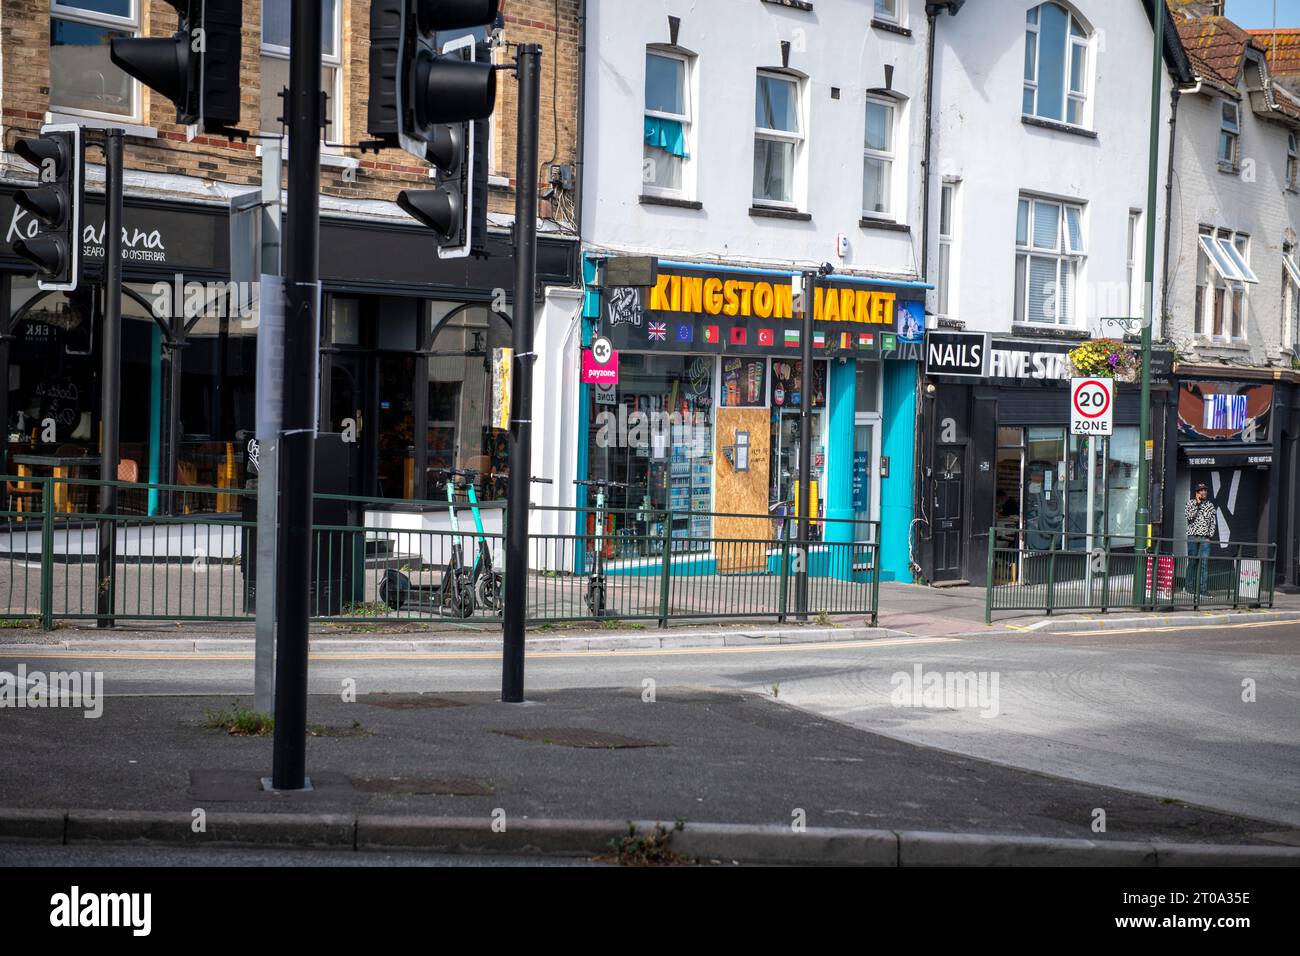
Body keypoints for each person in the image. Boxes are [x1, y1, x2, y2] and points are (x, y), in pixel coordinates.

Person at [1185, 483, 1218, 594]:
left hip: (1205, 538)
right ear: (1197, 493)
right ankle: (1189, 588)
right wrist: (1197, 505)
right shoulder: (1190, 503)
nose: (1204, 492)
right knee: (1192, 562)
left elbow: (1213, 522)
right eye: (1201, 490)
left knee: (1204, 564)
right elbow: (1189, 517)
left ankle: (1202, 590)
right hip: (1193, 536)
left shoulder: (1210, 505)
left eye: (1205, 490)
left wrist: (1210, 536)